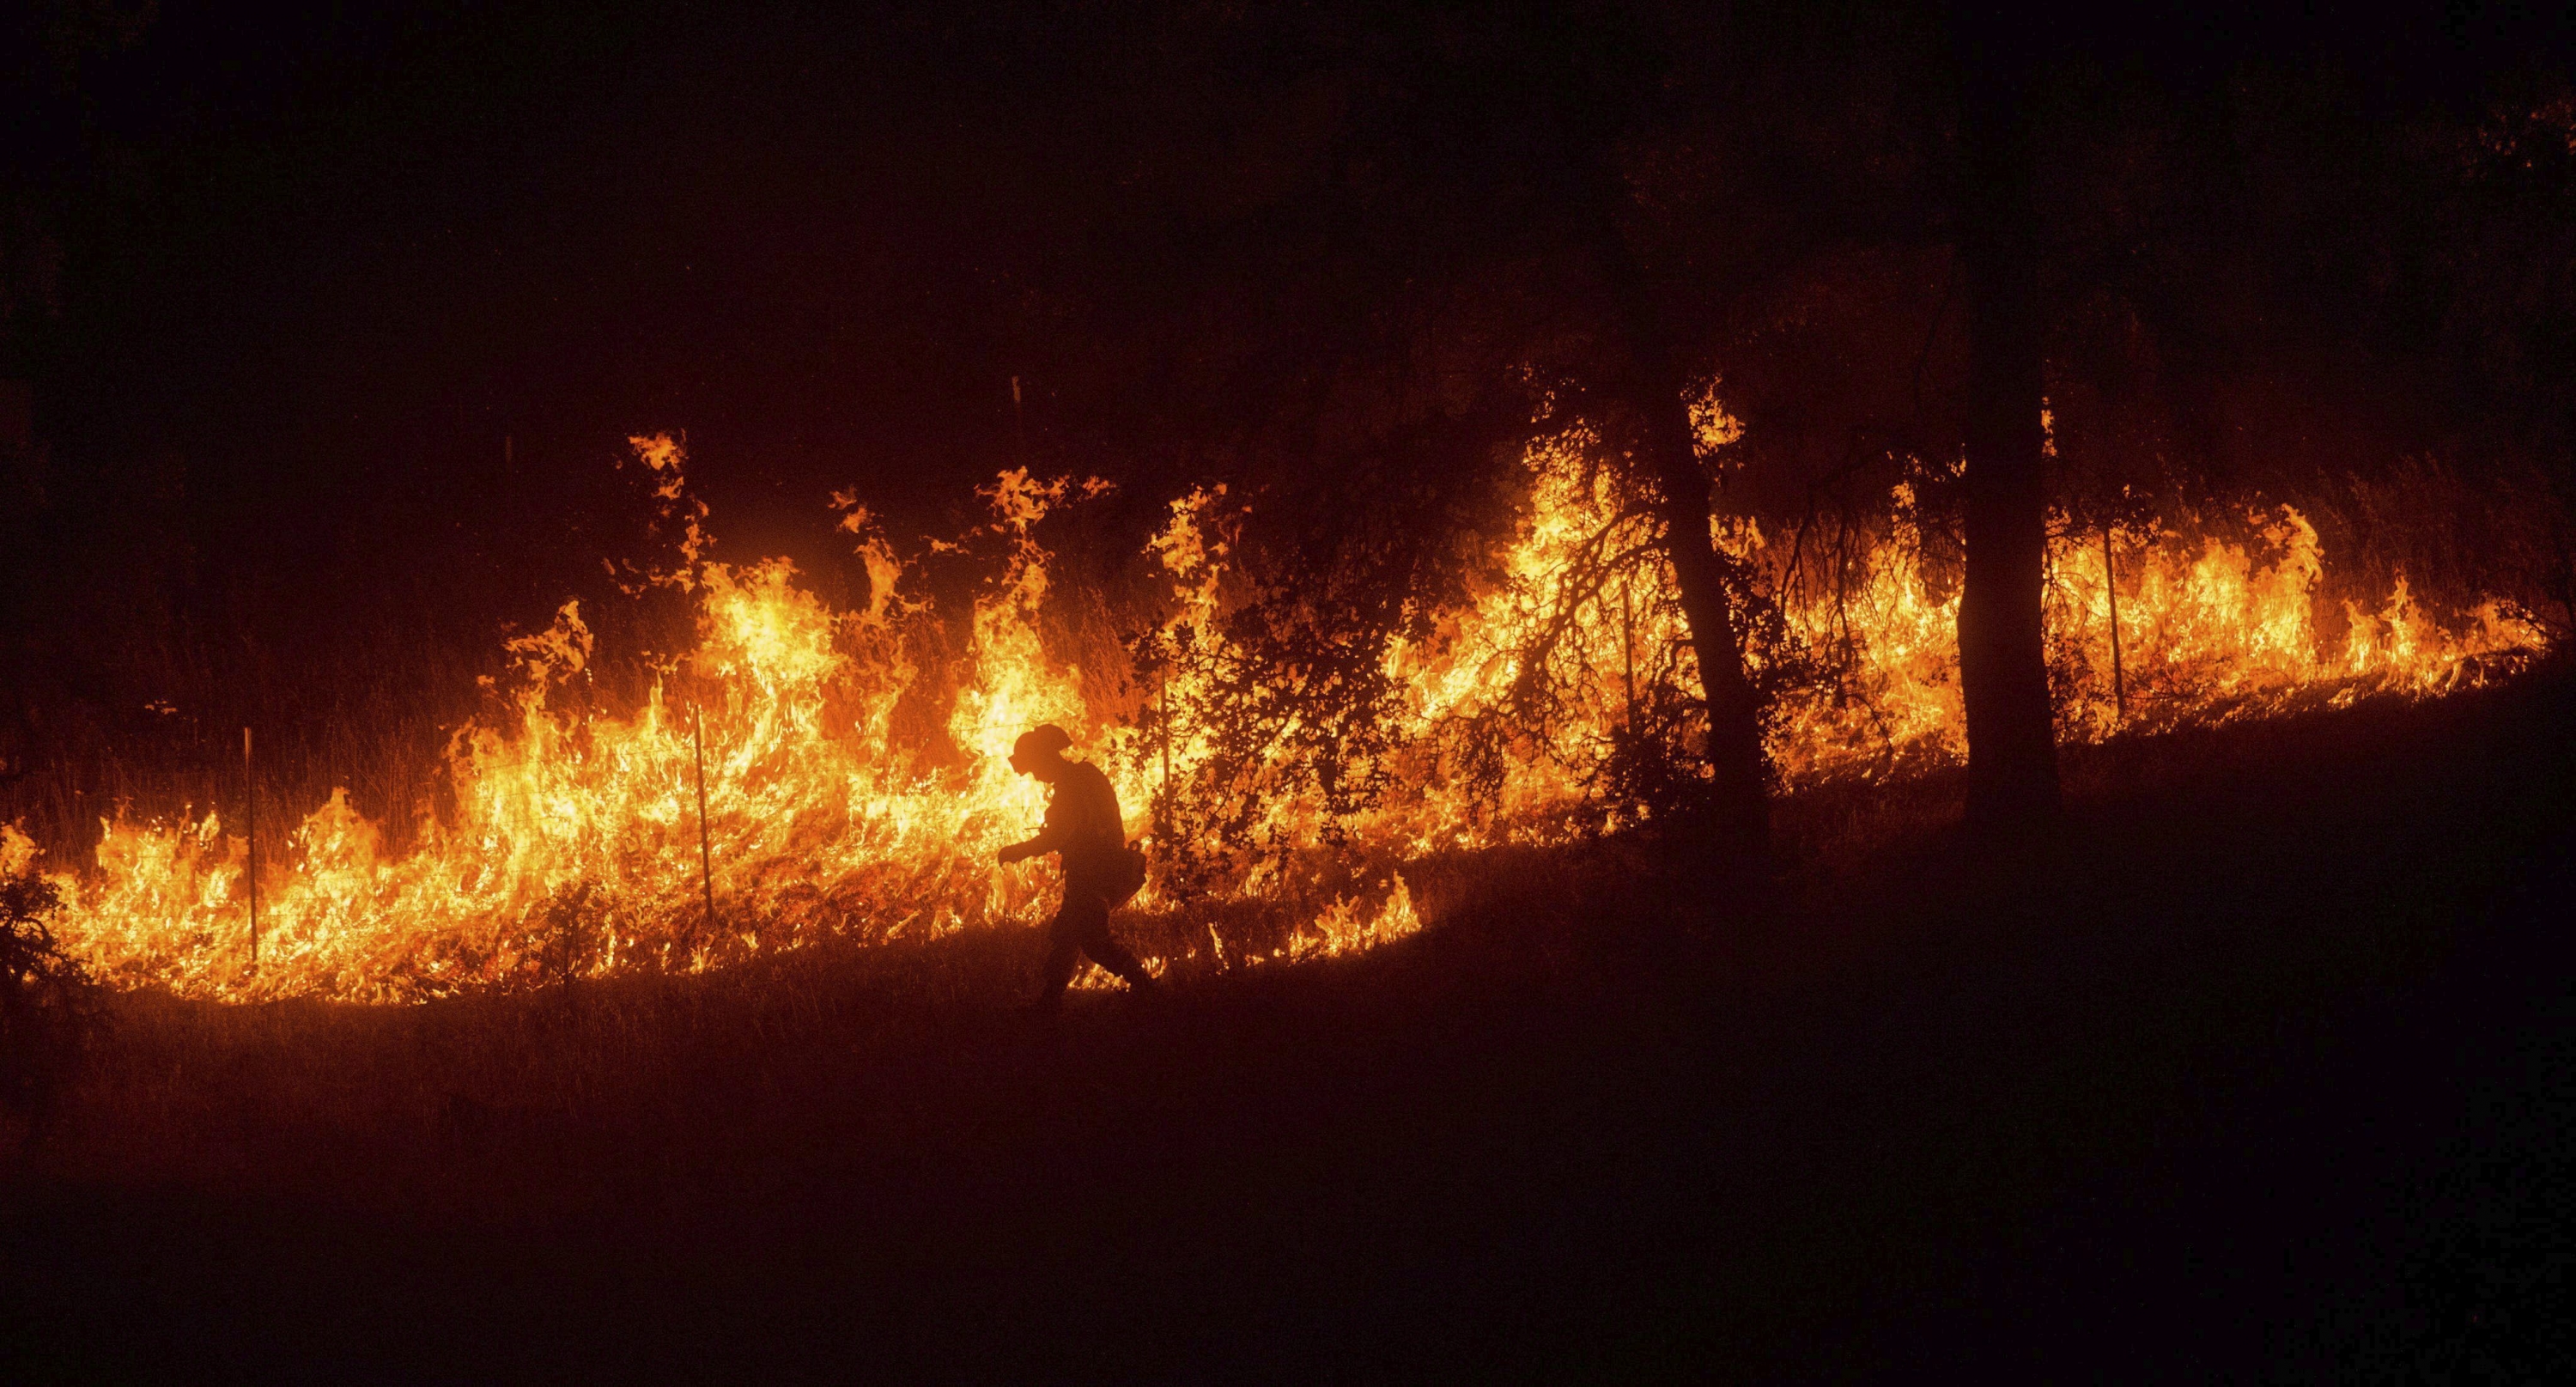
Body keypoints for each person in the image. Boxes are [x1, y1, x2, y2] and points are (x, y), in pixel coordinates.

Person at [995, 724, 1156, 1010]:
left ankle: (1147, 987)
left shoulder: (1074, 784)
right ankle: (1049, 1002)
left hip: (1095, 871)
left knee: (1094, 941)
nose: (1035, 776)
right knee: (1067, 936)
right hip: (1090, 868)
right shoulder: (1080, 778)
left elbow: (1058, 835)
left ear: (1046, 758)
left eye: (1034, 767)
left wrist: (1018, 851)